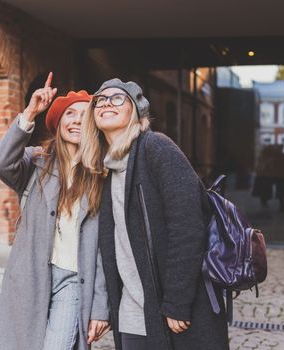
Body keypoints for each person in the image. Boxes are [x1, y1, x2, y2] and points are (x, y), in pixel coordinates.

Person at [80, 78, 229, 350]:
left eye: (116, 98)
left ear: (136, 110)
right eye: (99, 100)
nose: (105, 104)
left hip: (171, 309)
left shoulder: (156, 148)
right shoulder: (105, 170)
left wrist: (177, 301)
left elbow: (187, 227)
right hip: (132, 312)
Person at [0, 73, 110, 350]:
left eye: (84, 115)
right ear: (58, 124)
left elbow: (106, 246)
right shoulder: (35, 162)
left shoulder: (102, 175)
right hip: (31, 277)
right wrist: (30, 113)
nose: (77, 120)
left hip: (73, 281)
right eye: (70, 114)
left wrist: (101, 306)